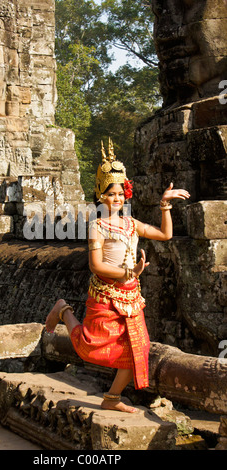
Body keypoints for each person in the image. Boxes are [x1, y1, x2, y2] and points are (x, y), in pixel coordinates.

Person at [45, 138, 190, 413]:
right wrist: (129, 271)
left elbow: (165, 235)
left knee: (139, 349)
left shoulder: (131, 223)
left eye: (121, 193)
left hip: (131, 296)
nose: (117, 198)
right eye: (112, 194)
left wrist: (164, 205)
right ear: (101, 195)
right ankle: (64, 310)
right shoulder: (97, 227)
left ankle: (111, 398)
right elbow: (96, 266)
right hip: (105, 295)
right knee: (89, 347)